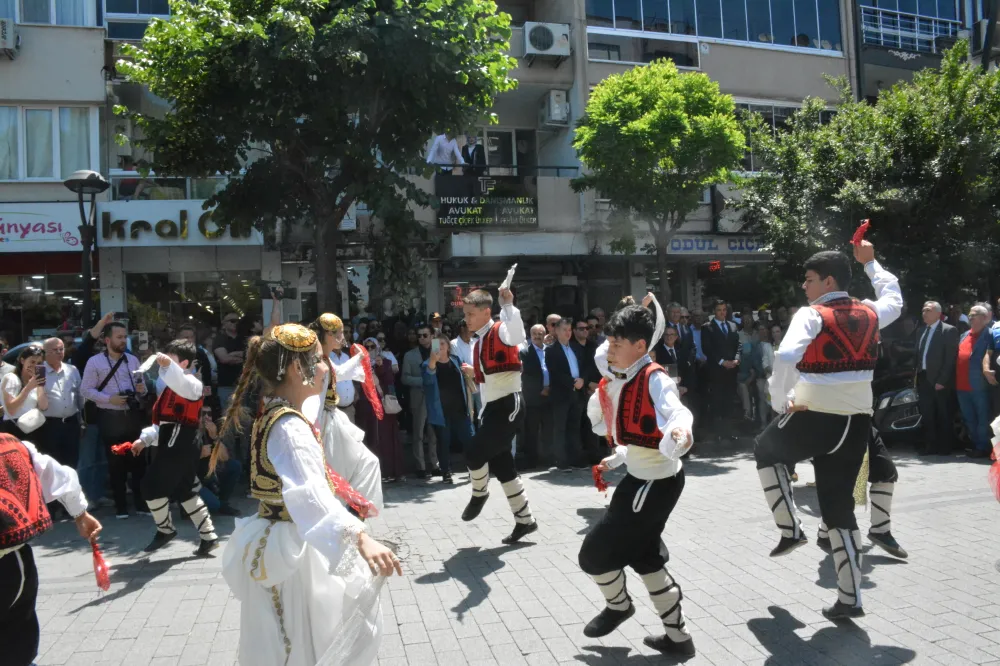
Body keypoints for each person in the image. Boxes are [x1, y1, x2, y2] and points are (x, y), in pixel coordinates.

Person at [212, 323, 401, 666]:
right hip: (297, 549)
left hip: (279, 535)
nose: (327, 366)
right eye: (319, 359)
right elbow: (311, 497)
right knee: (308, 640)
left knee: (293, 638)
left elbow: (310, 411)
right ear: (299, 369)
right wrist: (362, 539)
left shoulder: (278, 410)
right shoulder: (290, 428)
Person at [754, 240, 902, 620]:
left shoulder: (812, 313)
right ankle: (850, 599)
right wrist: (871, 263)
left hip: (815, 413)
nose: (804, 286)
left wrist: (779, 398)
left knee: (765, 449)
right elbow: (894, 300)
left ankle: (790, 528)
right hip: (856, 423)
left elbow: (786, 355)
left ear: (828, 281)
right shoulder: (870, 312)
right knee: (840, 511)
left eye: (809, 279)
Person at [580, 303, 696, 658]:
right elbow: (635, 436)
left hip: (652, 484)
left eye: (617, 344)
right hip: (644, 478)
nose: (609, 350)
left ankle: (619, 606)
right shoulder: (625, 374)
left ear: (640, 346)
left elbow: (676, 410)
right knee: (645, 557)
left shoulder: (654, 377)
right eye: (610, 343)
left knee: (594, 555)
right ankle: (679, 639)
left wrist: (680, 430)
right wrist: (619, 456)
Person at [0, 433, 102, 666]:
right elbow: (58, 475)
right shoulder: (14, 445)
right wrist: (80, 513)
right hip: (19, 562)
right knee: (18, 648)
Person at [460, 287, 538, 544]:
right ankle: (525, 520)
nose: (466, 319)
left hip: (508, 404)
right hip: (493, 407)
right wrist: (475, 371)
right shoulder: (480, 338)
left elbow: (516, 334)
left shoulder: (501, 329)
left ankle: (480, 493)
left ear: (485, 312)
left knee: (474, 452)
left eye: (471, 314)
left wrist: (508, 306)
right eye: (465, 314)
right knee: (504, 466)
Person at [130, 341, 220, 555]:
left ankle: (166, 530)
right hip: (176, 441)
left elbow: (177, 379)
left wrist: (167, 366)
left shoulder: (192, 384)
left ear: (185, 363)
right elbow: (162, 424)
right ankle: (209, 536)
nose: (165, 362)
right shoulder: (172, 387)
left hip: (181, 443)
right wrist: (145, 439)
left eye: (172, 359)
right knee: (185, 490)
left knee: (150, 486)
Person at [307, 314, 384, 511]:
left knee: (365, 463)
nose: (343, 337)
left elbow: (340, 373)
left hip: (332, 420)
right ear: (328, 335)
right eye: (339, 333)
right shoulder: (317, 363)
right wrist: (313, 432)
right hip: (323, 424)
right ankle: (339, 516)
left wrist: (360, 357)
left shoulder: (324, 359)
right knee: (336, 472)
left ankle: (353, 511)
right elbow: (315, 400)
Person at [81, 321, 149, 519]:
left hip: (132, 415)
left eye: (124, 337)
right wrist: (109, 398)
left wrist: (140, 390)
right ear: (107, 340)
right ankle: (121, 507)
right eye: (119, 337)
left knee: (138, 462)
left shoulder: (133, 360)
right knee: (115, 463)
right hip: (110, 417)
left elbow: (142, 386)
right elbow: (86, 389)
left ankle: (141, 504)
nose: (123, 341)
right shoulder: (95, 362)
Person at [817, 425, 908, 559]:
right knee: (843, 484)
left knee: (886, 472)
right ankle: (826, 532)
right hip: (834, 427)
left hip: (863, 425)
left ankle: (881, 530)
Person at [423, 333, 474, 484]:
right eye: (436, 345)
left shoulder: (456, 360)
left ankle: (474, 469)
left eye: (442, 344)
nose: (439, 348)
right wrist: (433, 362)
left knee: (469, 440)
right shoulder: (427, 364)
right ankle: (446, 472)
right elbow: (427, 381)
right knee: (444, 443)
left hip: (460, 409)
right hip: (441, 412)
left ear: (448, 347)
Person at [914, 301, 958, 456]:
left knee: (943, 414)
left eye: (928, 310)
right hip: (923, 378)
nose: (924, 313)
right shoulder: (921, 331)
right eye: (923, 310)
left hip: (940, 380)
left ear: (938, 313)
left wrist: (942, 380)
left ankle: (945, 447)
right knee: (927, 414)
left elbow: (950, 359)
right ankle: (930, 446)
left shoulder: (948, 330)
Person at [360, 338, 404, 483]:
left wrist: (380, 368)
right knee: (373, 438)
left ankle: (392, 471)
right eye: (367, 347)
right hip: (369, 406)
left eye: (373, 346)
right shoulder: (361, 365)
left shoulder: (386, 362)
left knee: (387, 439)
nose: (370, 349)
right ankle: (378, 473)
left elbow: (390, 381)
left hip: (385, 406)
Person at [547, 318, 586, 470]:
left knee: (574, 427)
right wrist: (572, 382)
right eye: (564, 330)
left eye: (570, 330)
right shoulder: (551, 350)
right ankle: (561, 461)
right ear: (557, 331)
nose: (568, 333)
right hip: (561, 394)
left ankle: (576, 458)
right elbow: (555, 373)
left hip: (577, 392)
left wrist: (583, 379)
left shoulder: (576, 348)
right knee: (560, 428)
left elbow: (584, 366)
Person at [401, 325, 439, 479]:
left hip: (434, 397)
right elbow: (404, 377)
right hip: (419, 396)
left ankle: (435, 464)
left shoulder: (437, 349)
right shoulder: (410, 355)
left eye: (425, 335)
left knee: (434, 433)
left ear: (431, 336)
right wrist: (423, 381)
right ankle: (421, 466)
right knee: (418, 433)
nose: (421, 338)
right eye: (419, 335)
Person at [956, 304, 994, 458]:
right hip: (961, 384)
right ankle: (976, 444)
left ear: (985, 318)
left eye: (974, 314)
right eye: (970, 315)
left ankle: (983, 447)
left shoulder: (991, 334)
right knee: (969, 417)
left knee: (982, 417)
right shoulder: (964, 335)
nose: (970, 317)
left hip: (980, 385)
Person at [38, 338, 82, 470]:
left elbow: (80, 396)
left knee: (71, 465)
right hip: (49, 426)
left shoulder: (72, 370)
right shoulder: (39, 371)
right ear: (45, 352)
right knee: (52, 466)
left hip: (72, 424)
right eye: (55, 350)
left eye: (61, 349)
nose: (59, 352)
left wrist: (82, 421)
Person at [700, 300, 741, 439]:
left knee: (729, 400)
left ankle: (728, 432)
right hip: (716, 370)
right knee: (717, 400)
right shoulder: (707, 327)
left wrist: (736, 359)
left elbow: (738, 345)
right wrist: (722, 362)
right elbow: (707, 348)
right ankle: (718, 433)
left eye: (724, 309)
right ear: (714, 311)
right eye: (719, 310)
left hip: (731, 370)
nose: (722, 312)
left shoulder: (733, 325)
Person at [195, 406, 242, 516]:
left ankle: (223, 503)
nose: (207, 417)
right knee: (214, 505)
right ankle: (187, 506)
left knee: (234, 466)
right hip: (192, 479)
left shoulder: (212, 430)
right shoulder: (190, 431)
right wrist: (198, 455)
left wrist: (215, 437)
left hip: (208, 474)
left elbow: (225, 457)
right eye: (203, 414)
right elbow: (181, 461)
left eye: (209, 414)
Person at [518, 324, 550, 470]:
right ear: (530, 335)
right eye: (535, 333)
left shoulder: (549, 351)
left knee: (549, 428)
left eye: (541, 333)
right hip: (534, 397)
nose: (538, 336)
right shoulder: (524, 352)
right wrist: (540, 389)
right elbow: (528, 376)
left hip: (551, 395)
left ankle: (548, 458)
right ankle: (531, 460)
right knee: (532, 430)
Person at [1, 346, 48, 441]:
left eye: (39, 363)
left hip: (33, 427)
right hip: (15, 430)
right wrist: (28, 387)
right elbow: (11, 410)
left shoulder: (35, 381)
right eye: (32, 362)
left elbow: (44, 406)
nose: (35, 366)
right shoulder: (12, 378)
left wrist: (40, 385)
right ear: (22, 361)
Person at [214, 312, 247, 411]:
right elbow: (224, 359)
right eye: (232, 321)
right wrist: (243, 356)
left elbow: (251, 357)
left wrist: (232, 355)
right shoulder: (219, 339)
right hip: (226, 386)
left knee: (245, 418)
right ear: (224, 324)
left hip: (245, 385)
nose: (235, 323)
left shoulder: (244, 338)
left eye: (238, 321)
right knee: (228, 418)